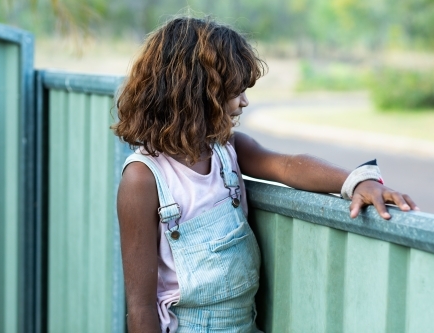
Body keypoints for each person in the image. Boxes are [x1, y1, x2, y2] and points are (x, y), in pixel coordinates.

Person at [112, 16, 418, 333]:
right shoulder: (143, 179)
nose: (244, 102)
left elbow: (285, 165)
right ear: (194, 95)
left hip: (245, 323)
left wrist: (356, 181)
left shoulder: (225, 149)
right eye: (234, 92)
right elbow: (140, 306)